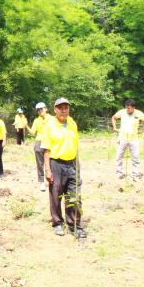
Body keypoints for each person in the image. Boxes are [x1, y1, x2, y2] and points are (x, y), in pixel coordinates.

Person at [42, 98, 86, 238]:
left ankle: (74, 225)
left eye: (66, 107)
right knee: (56, 195)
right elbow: (46, 150)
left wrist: (77, 165)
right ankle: (57, 223)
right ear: (55, 109)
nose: (63, 110)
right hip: (56, 163)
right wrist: (47, 170)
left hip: (72, 163)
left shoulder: (72, 123)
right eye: (60, 107)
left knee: (74, 195)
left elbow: (75, 145)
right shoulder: (50, 125)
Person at [112, 99, 144, 181]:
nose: (127, 109)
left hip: (134, 139)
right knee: (119, 156)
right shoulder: (122, 112)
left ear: (133, 107)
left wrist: (143, 130)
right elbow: (114, 117)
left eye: (129, 108)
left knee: (135, 157)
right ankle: (119, 173)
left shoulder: (139, 113)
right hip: (122, 138)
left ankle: (135, 175)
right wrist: (114, 127)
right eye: (126, 108)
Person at [27, 102, 52, 191]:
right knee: (40, 163)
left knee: (52, 161)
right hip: (39, 141)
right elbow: (33, 133)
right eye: (38, 110)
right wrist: (26, 126)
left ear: (46, 109)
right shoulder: (36, 120)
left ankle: (52, 179)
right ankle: (41, 182)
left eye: (41, 109)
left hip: (50, 141)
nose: (40, 111)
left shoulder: (52, 119)